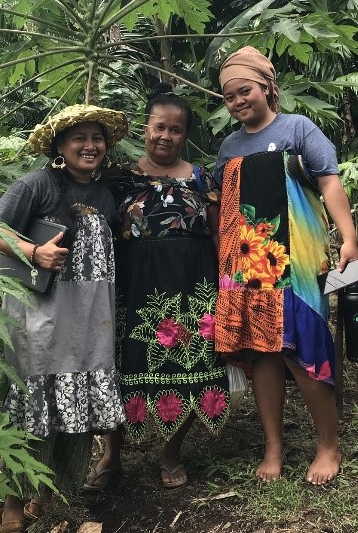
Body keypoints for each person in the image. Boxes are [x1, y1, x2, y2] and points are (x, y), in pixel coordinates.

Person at [214, 46, 358, 486]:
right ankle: (273, 445)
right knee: (262, 356)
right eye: (230, 97)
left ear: (267, 88)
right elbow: (223, 205)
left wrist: (348, 236)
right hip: (246, 265)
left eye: (246, 91)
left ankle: (328, 444)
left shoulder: (298, 128)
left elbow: (329, 181)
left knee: (305, 350)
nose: (239, 101)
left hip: (295, 260)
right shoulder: (229, 145)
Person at [0, 104, 129, 532]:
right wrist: (33, 252)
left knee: (73, 404)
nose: (90, 146)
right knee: (34, 405)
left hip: (89, 320)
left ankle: (46, 493)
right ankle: (11, 503)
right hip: (41, 315)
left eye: (97, 138)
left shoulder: (104, 195)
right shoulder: (36, 184)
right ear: (59, 146)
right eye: (79, 138)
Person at [84, 89, 230, 491]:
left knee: (190, 363)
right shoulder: (115, 178)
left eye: (176, 129)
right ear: (146, 127)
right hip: (132, 284)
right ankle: (111, 455)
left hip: (191, 283)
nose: (165, 136)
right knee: (122, 362)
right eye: (159, 127)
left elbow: (218, 233)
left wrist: (226, 285)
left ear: (185, 134)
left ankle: (171, 452)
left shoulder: (203, 177)